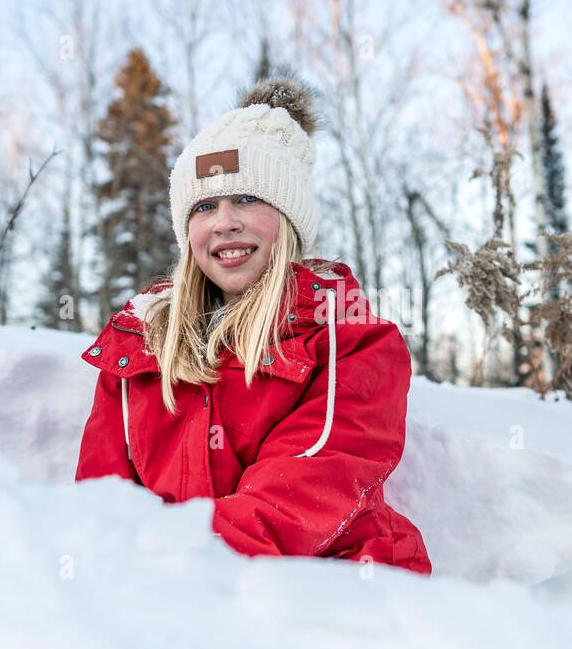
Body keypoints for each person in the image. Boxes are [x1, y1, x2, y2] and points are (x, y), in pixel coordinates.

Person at [74, 73, 431, 575]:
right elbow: (99, 503)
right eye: (203, 206)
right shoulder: (138, 346)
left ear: (288, 220)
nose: (224, 222)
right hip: (175, 591)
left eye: (246, 199)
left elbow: (302, 492)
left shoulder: (349, 338)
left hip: (335, 591)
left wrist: (177, 564)